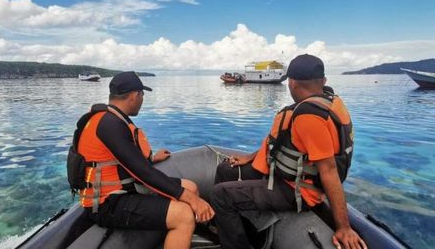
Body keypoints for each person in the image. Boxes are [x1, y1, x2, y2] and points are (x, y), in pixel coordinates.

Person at [211, 54, 367, 249]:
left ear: (292, 83)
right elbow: (278, 143)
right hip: (286, 174)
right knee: (226, 170)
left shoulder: (309, 117)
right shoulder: (327, 101)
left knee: (220, 195)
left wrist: (344, 227)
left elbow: (329, 170)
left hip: (297, 190)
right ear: (324, 81)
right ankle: (232, 226)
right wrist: (249, 158)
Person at [72, 71, 214, 249]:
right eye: (142, 95)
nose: (142, 100)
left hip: (123, 189)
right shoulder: (110, 125)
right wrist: (193, 201)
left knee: (191, 187)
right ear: (134, 95)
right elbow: (143, 174)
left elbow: (123, 161)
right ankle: (184, 227)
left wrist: (152, 159)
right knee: (184, 214)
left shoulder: (110, 119)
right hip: (106, 203)